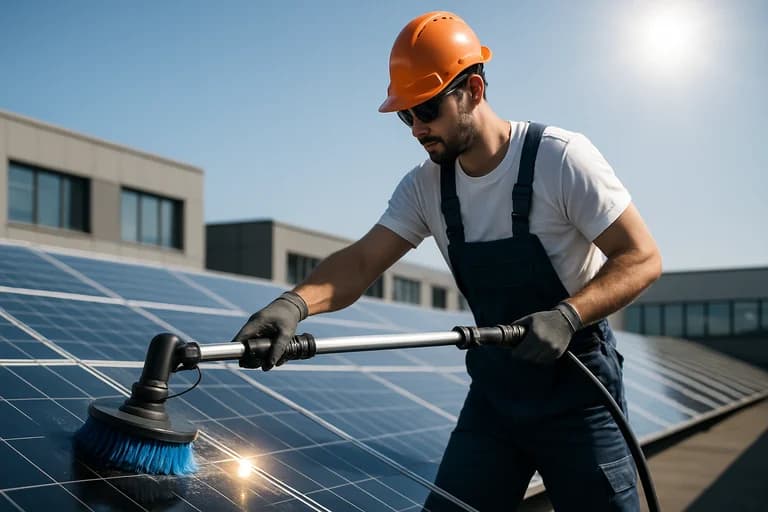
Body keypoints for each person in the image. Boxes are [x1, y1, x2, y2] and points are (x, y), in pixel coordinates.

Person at [232, 10, 661, 512]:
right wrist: (293, 305)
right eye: (405, 115)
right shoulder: (426, 187)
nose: (416, 128)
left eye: (428, 109)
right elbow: (363, 259)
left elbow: (641, 258)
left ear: (473, 91)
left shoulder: (560, 159)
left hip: (580, 392)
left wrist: (569, 315)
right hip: (497, 397)